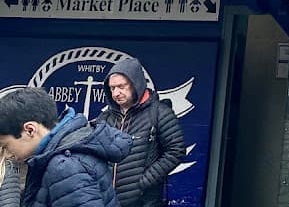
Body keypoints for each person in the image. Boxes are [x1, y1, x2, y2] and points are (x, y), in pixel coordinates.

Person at [0, 86, 131, 207]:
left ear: (30, 130)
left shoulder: (64, 167)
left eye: (5, 146)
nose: (7, 155)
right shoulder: (69, 152)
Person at [94, 57, 185, 207]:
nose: (116, 93)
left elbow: (176, 150)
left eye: (121, 87)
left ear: (136, 84)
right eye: (112, 88)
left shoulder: (159, 113)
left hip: (144, 202)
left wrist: (144, 181)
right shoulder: (105, 117)